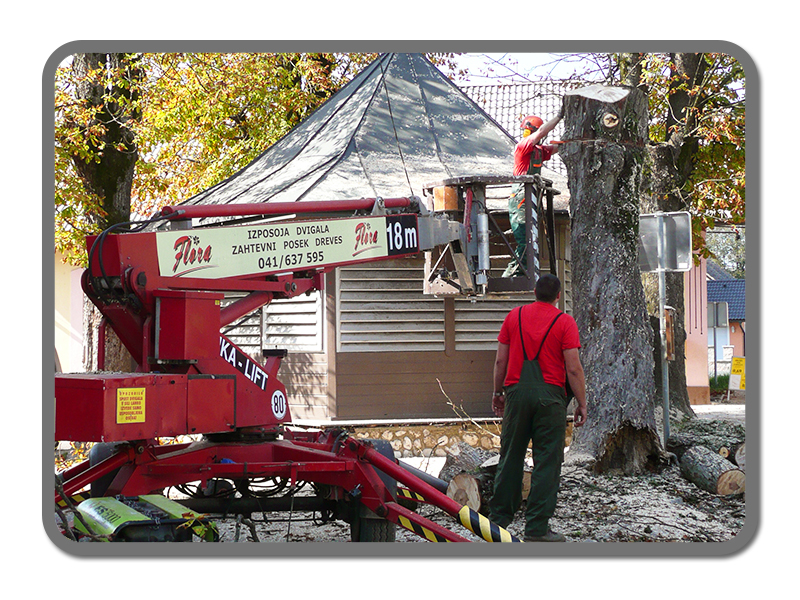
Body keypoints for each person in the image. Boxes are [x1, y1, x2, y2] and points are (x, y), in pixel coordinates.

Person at [488, 274, 587, 542]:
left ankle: (497, 524)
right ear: (557, 297)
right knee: (547, 462)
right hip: (551, 400)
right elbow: (574, 369)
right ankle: (536, 528)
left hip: (517, 395)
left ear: (534, 292)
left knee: (510, 458)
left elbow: (500, 362)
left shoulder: (514, 317)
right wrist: (581, 403)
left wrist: (498, 393)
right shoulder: (564, 322)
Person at [503, 113, 563, 277]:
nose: (526, 134)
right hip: (520, 196)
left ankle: (523, 272)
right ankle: (512, 275)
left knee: (531, 237)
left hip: (531, 197)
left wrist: (572, 140)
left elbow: (556, 148)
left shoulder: (539, 151)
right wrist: (559, 116)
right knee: (524, 238)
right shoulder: (522, 147)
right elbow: (542, 132)